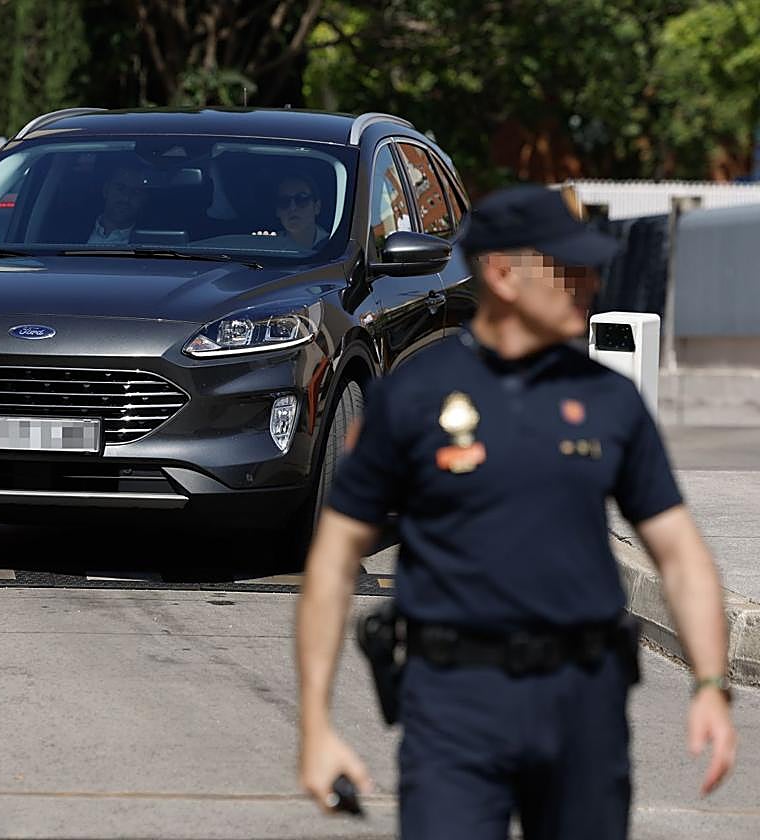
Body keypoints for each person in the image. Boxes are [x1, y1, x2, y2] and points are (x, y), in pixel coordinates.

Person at [295, 185, 736, 839]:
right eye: (568, 267)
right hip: (454, 703)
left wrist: (709, 684)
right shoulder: (413, 399)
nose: (589, 281)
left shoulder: (610, 401)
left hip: (583, 703)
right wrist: (316, 728)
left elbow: (679, 552)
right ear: (502, 273)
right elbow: (332, 563)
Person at [87, 165, 148, 244]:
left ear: (144, 199)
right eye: (120, 188)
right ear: (106, 190)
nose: (126, 198)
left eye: (136, 192)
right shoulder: (72, 228)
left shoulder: (151, 243)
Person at [272, 174, 328, 250]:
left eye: (301, 199)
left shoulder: (335, 245)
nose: (292, 208)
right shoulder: (272, 246)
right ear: (277, 211)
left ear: (317, 207)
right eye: (284, 201)